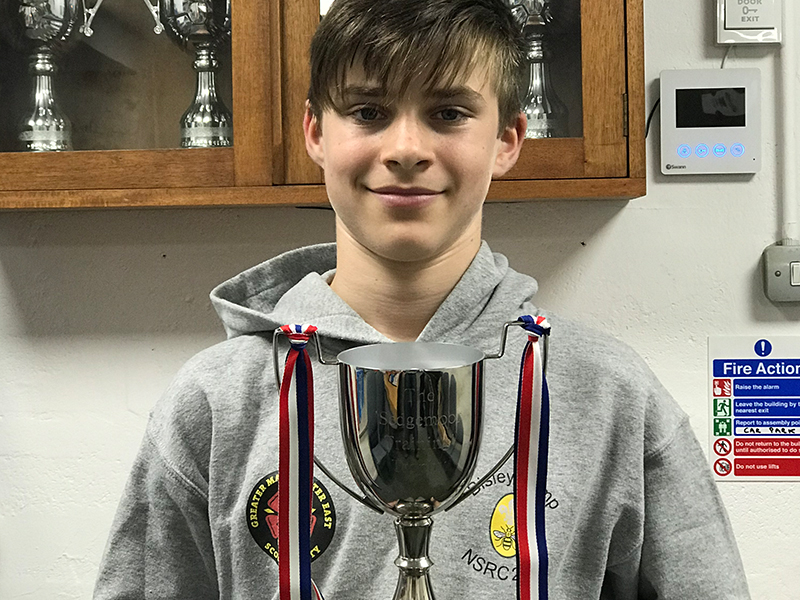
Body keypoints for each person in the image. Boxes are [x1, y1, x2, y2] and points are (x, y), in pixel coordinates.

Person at [93, 0, 751, 598]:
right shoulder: (216, 402)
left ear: (508, 140)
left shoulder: (609, 394)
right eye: (368, 112)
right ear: (316, 133)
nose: (406, 149)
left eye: (448, 113)